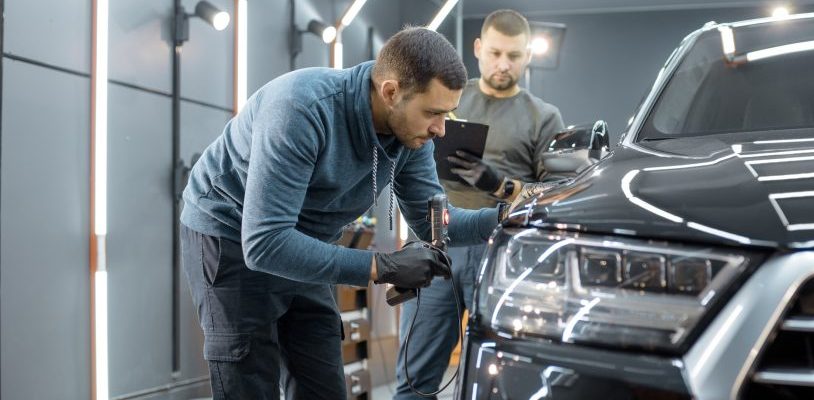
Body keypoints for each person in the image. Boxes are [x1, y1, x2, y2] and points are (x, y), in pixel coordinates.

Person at [179, 27, 504, 399]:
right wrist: (382, 267)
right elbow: (265, 243)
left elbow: (439, 225)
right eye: (433, 112)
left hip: (305, 241)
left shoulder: (411, 137)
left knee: (323, 385)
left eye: (447, 113)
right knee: (250, 381)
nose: (441, 130)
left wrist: (505, 217)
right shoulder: (301, 109)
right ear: (391, 92)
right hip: (231, 235)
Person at [394, 9, 564, 400]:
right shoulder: (445, 98)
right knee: (413, 381)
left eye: (514, 56)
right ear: (477, 49)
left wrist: (500, 185)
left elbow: (555, 195)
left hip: (502, 252)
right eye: (495, 53)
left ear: (527, 57)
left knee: (505, 380)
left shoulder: (543, 118)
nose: (503, 64)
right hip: (435, 246)